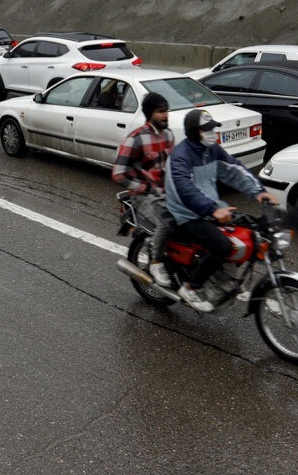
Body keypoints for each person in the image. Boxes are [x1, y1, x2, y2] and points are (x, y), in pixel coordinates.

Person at [165, 109, 277, 312]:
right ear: (194, 132)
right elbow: (184, 190)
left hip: (210, 206)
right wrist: (213, 209)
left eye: (212, 128)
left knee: (248, 230)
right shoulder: (180, 156)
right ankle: (190, 287)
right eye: (206, 129)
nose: (212, 132)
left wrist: (258, 191)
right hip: (186, 213)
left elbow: (233, 169)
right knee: (222, 246)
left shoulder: (212, 150)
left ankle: (222, 278)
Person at [111, 92, 175, 286]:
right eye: (160, 111)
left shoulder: (169, 135)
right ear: (150, 113)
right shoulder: (135, 138)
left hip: (166, 194)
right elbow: (119, 173)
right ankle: (155, 262)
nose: (165, 115)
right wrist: (145, 187)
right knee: (168, 222)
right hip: (143, 197)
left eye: (167, 111)